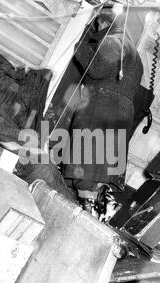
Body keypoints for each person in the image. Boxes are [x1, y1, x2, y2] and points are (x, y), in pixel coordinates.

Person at [62, 7, 145, 220]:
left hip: (100, 114)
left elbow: (97, 67)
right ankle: (91, 214)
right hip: (116, 117)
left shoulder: (116, 40)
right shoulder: (135, 55)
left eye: (98, 23)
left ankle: (83, 218)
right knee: (98, 175)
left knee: (88, 172)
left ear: (106, 23)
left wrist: (78, 43)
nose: (97, 27)